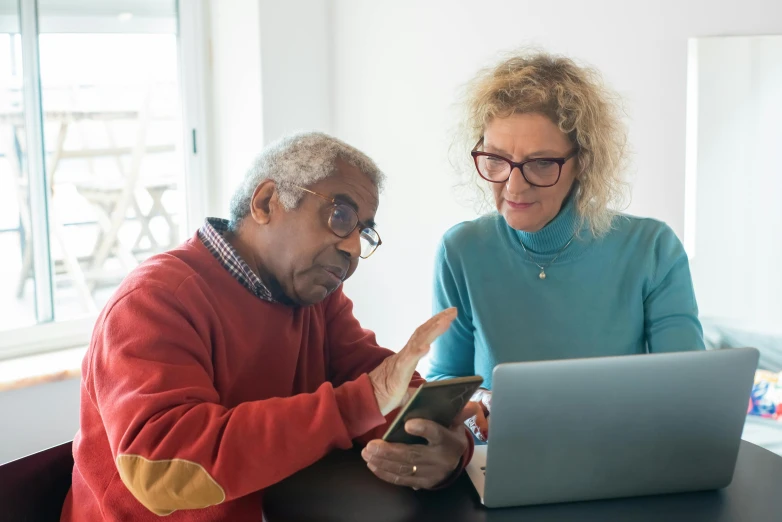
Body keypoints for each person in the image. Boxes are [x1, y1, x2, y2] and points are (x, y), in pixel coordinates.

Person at [61, 132, 475, 521]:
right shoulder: (155, 300)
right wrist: (358, 404)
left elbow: (381, 388)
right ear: (265, 202)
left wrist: (445, 447)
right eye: (341, 215)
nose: (352, 247)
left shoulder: (317, 299)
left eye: (363, 232)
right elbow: (163, 469)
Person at [426, 51, 705, 441]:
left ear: (582, 162)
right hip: (503, 463)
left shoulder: (652, 249)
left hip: (618, 461)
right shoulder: (462, 250)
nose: (513, 186)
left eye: (541, 164)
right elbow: (448, 382)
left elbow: (689, 394)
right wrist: (477, 414)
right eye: (496, 160)